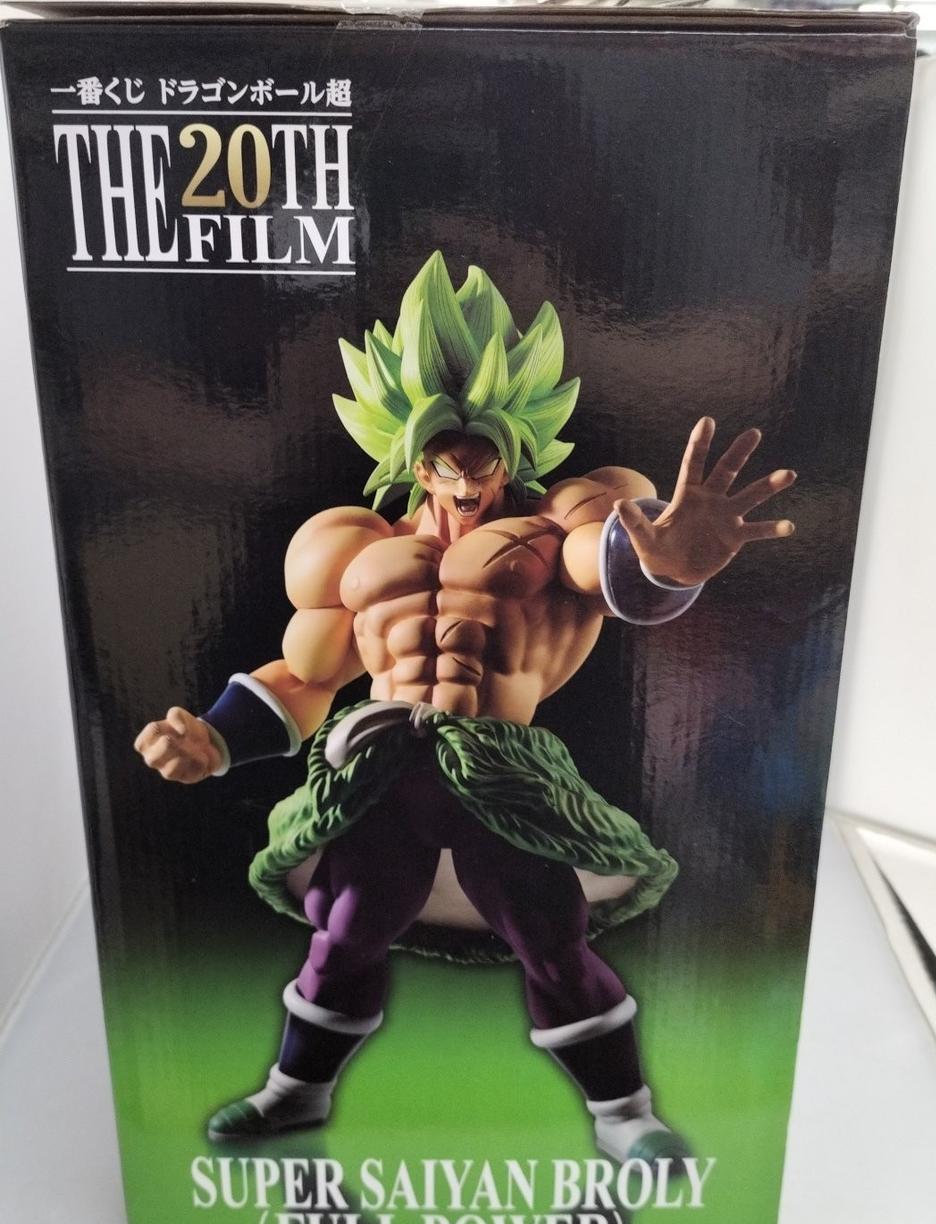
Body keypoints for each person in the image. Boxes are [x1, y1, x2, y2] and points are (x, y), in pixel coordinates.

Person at [135, 251, 796, 1164]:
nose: (463, 476)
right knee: (344, 928)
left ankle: (624, 1115)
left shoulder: (562, 520)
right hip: (376, 769)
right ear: (407, 451)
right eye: (443, 456)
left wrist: (668, 562)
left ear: (515, 444)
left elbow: (609, 567)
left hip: (499, 772)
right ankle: (294, 1093)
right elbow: (307, 675)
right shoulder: (350, 547)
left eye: (481, 453)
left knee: (550, 939)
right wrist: (213, 738)